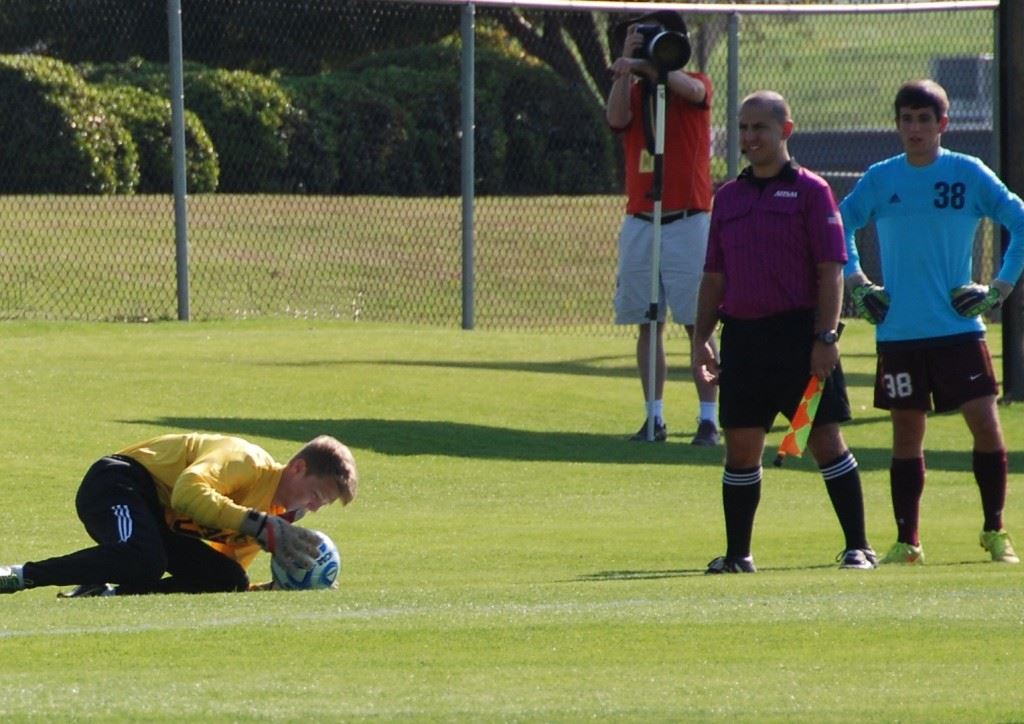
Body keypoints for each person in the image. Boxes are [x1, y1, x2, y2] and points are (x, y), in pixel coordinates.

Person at [840, 79, 1024, 565]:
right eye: (907, 119)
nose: (916, 128)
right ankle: (908, 541)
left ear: (943, 124)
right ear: (897, 125)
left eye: (925, 119)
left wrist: (999, 288)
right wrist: (857, 281)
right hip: (899, 332)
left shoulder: (968, 173)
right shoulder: (882, 178)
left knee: (985, 424)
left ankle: (995, 531)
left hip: (960, 330)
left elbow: (1019, 218)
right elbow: (839, 223)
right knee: (906, 434)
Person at [692, 91, 875, 573]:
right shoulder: (727, 197)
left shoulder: (813, 192)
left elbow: (830, 270)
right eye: (744, 129)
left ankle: (859, 547)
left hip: (801, 338)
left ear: (785, 131)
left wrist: (826, 338)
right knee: (741, 448)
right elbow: (714, 277)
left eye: (761, 128)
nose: (750, 138)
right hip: (744, 341)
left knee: (824, 442)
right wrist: (700, 339)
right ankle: (738, 555)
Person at [0, 432, 358, 596]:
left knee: (226, 578)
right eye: (314, 495)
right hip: (119, 482)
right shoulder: (245, 459)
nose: (311, 508)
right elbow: (188, 492)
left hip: (157, 521)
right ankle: (20, 575)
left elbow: (223, 565)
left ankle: (105, 592)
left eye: (320, 505)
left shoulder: (274, 516)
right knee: (143, 558)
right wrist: (260, 525)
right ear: (297, 468)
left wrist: (274, 588)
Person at [606, 9, 719, 445]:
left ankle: (708, 418)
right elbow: (617, 121)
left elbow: (691, 89)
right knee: (646, 321)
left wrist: (655, 66)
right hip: (641, 218)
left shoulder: (696, 83)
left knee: (699, 323)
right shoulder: (634, 91)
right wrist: (624, 68)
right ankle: (654, 417)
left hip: (688, 220)